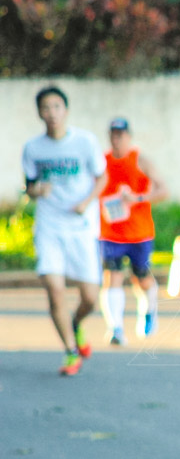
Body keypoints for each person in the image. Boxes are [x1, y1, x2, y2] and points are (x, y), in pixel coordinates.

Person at [21, 85, 107, 376]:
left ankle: (75, 324)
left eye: (57, 107)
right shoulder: (33, 148)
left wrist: (87, 201)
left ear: (65, 110)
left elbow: (102, 176)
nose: (52, 113)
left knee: (90, 297)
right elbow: (29, 186)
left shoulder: (85, 142)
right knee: (55, 290)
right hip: (49, 225)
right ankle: (71, 352)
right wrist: (36, 190)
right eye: (46, 107)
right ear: (39, 113)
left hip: (81, 226)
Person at [98, 117, 169, 344]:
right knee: (112, 276)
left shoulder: (140, 160)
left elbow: (163, 190)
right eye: (113, 134)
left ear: (129, 136)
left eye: (121, 134)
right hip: (110, 232)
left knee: (141, 277)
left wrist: (137, 198)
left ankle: (149, 308)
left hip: (139, 232)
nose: (117, 139)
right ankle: (116, 328)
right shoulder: (102, 161)